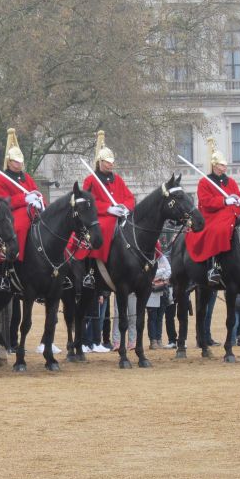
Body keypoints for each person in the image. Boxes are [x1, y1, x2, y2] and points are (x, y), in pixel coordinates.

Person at [76, 130, 134, 330]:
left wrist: (125, 207)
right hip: (99, 217)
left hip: (119, 215)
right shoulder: (91, 180)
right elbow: (86, 203)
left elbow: (129, 197)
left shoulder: (117, 179)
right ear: (100, 162)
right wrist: (107, 208)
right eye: (107, 162)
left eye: (112, 162)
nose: (110, 165)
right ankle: (92, 270)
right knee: (105, 228)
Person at [184, 137, 240, 287]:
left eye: (225, 165)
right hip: (213, 216)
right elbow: (205, 202)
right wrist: (224, 201)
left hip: (232, 214)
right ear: (214, 165)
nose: (224, 167)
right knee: (219, 230)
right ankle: (213, 267)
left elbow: (239, 195)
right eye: (221, 165)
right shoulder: (204, 182)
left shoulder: (231, 182)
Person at [0, 127, 45, 293]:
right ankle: (10, 264)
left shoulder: (27, 177)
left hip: (33, 212)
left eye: (21, 161)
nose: (19, 164)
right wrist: (24, 199)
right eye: (16, 162)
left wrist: (40, 202)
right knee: (18, 227)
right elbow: (1, 202)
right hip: (11, 214)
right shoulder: (1, 179)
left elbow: (36, 191)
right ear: (9, 161)